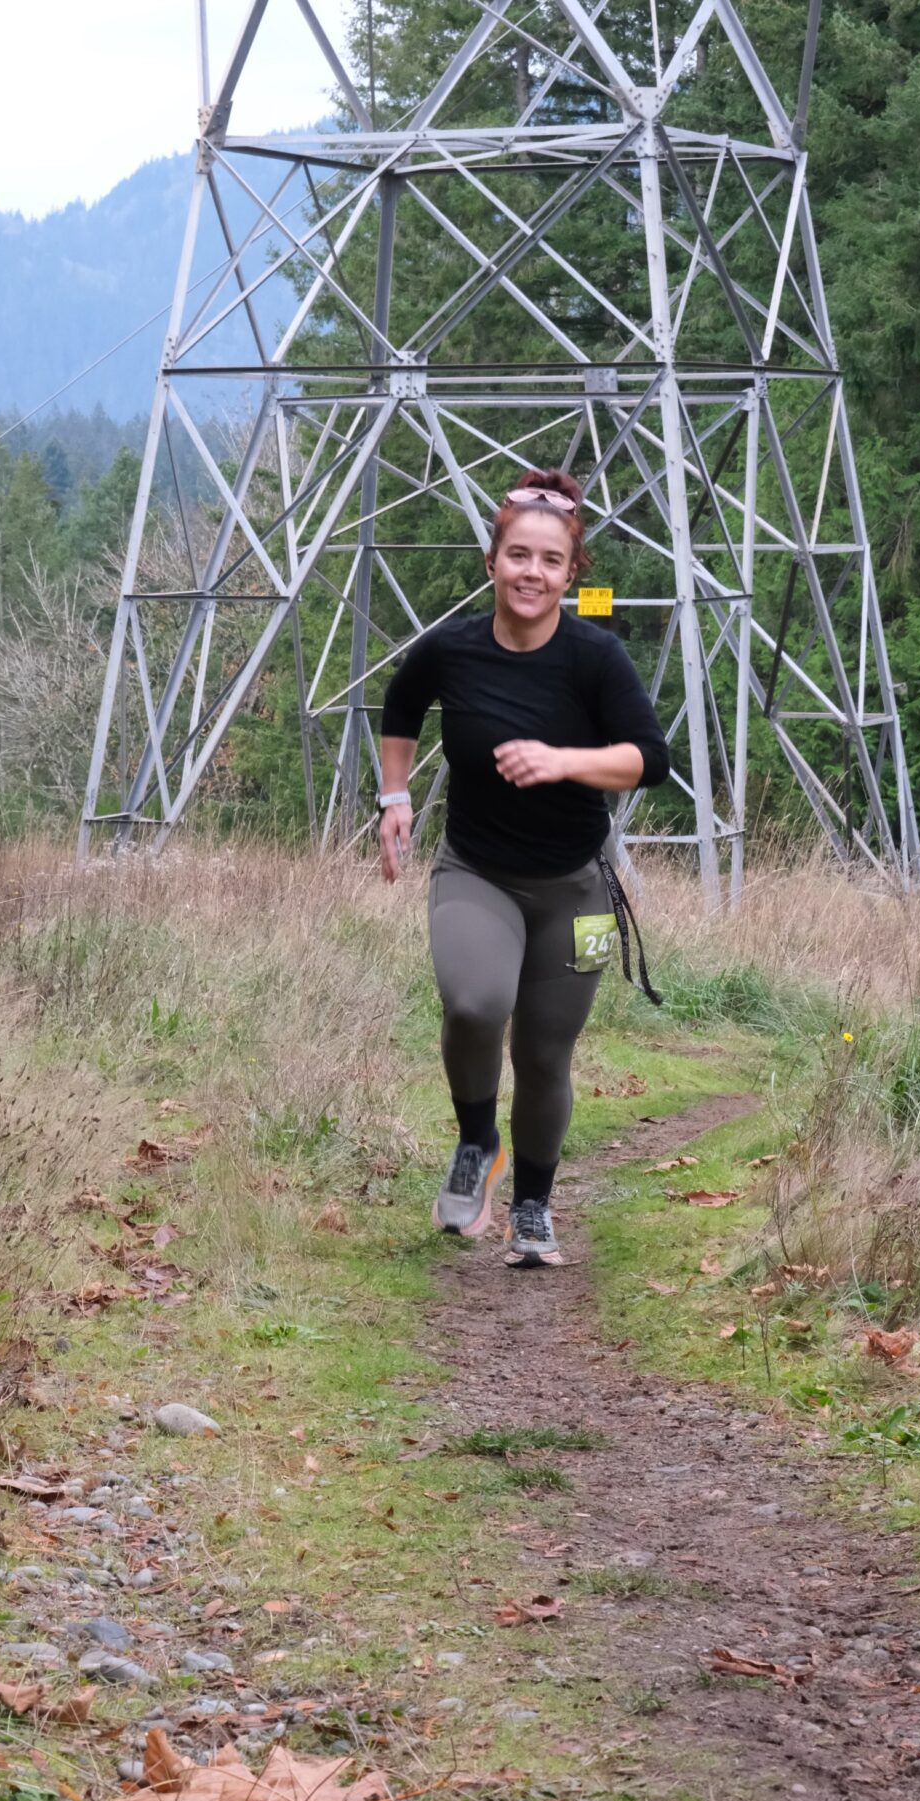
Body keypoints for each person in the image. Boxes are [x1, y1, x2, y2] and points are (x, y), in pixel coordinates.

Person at [378, 468, 670, 1267]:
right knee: (475, 1004)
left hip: (578, 890)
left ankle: (533, 1210)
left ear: (572, 574)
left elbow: (650, 760)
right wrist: (393, 796)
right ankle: (478, 1144)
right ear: (492, 561)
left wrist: (562, 760)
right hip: (476, 872)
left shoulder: (595, 658)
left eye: (549, 561)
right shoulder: (453, 649)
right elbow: (400, 706)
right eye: (517, 556)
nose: (531, 573)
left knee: (545, 1055)